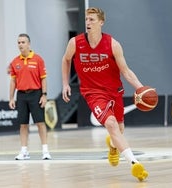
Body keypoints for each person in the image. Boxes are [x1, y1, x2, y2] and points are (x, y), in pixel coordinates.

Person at [62, 7, 148, 181]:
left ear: (101, 22)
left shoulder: (113, 45)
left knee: (119, 129)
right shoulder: (75, 43)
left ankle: (113, 146)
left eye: (92, 20)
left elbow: (126, 71)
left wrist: (140, 88)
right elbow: (66, 60)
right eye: (86, 19)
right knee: (111, 124)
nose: (88, 23)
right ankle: (135, 164)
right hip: (92, 93)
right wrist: (65, 84)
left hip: (114, 90)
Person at [9, 33, 51, 160]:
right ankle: (24, 151)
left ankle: (45, 151)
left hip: (36, 94)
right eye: (18, 42)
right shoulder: (15, 62)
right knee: (23, 124)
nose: (20, 45)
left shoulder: (38, 59)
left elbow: (43, 79)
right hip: (21, 95)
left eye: (23, 42)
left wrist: (44, 95)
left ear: (29, 44)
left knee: (40, 123)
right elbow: (13, 81)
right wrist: (11, 97)